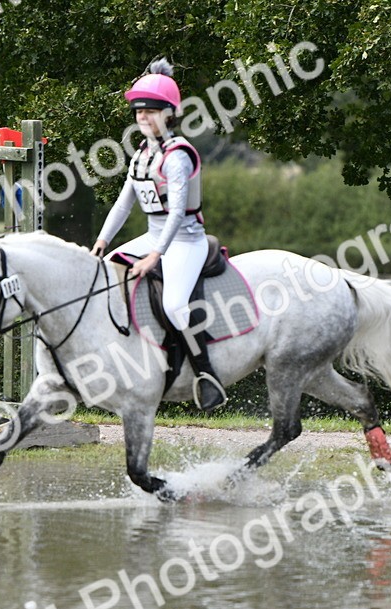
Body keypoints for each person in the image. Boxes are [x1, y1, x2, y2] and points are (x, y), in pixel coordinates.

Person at [90, 58, 227, 412]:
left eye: (150, 111)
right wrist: (102, 241)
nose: (143, 118)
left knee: (174, 304)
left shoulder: (177, 156)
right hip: (154, 236)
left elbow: (178, 212)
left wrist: (156, 255)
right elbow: (123, 206)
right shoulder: (140, 155)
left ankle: (206, 376)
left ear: (169, 114)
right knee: (106, 272)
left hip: (185, 240)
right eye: (138, 112)